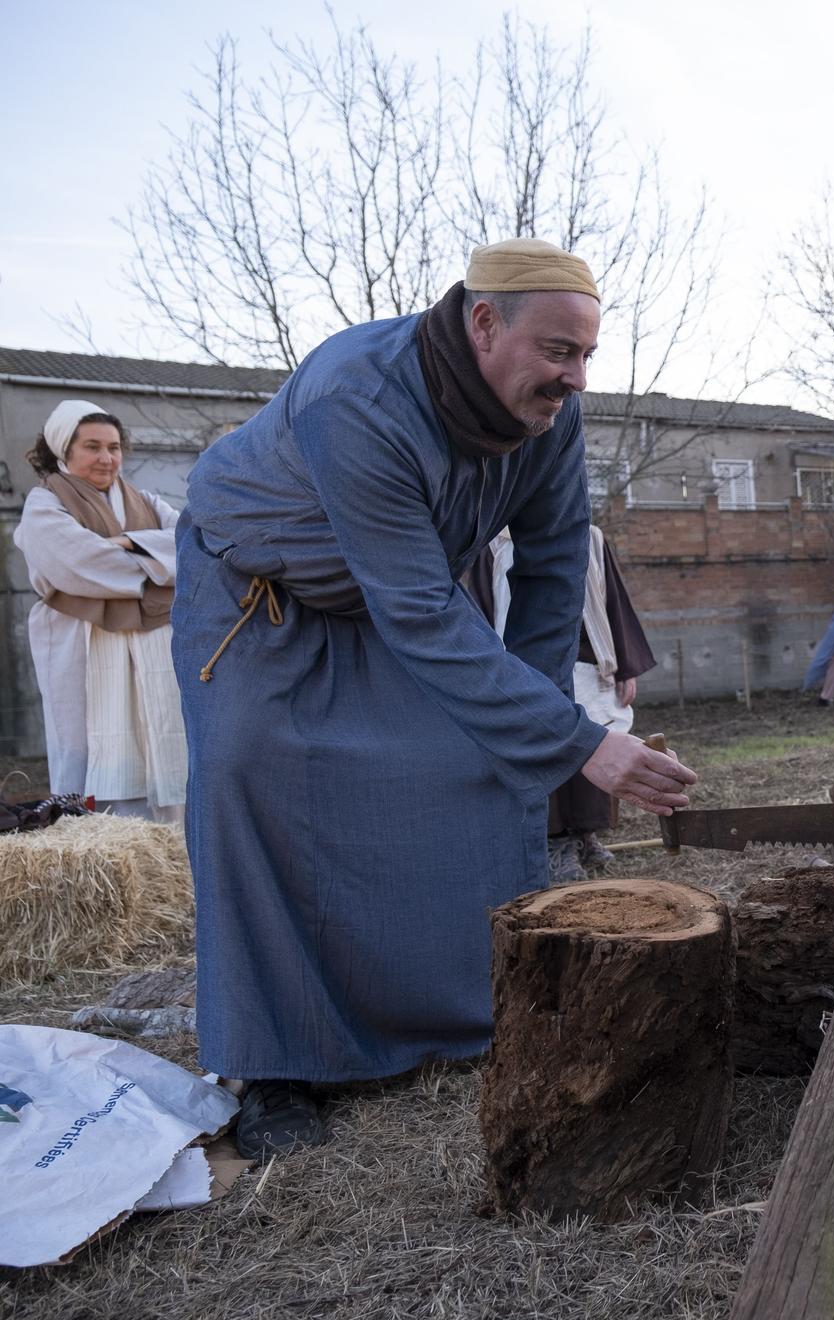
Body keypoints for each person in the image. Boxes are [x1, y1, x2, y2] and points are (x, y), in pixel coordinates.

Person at [173, 239, 697, 1160]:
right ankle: (278, 1061)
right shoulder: (356, 398)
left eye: (586, 355)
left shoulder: (553, 414)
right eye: (557, 351)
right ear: (483, 323)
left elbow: (551, 566)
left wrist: (537, 727)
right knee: (248, 773)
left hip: (400, 595)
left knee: (473, 761)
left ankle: (473, 1008)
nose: (575, 377)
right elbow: (417, 609)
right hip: (267, 598)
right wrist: (582, 744)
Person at [14, 401, 187, 821]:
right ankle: (93, 831)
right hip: (80, 638)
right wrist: (158, 566)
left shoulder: (144, 501)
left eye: (114, 447)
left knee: (158, 734)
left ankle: (166, 835)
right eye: (92, 447)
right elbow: (80, 564)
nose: (107, 458)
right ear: (64, 450)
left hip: (153, 639)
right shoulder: (44, 505)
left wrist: (129, 542)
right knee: (85, 743)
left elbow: (190, 542)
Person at [470, 524, 659, 877]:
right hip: (524, 665)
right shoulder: (493, 545)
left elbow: (612, 600)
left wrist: (625, 667)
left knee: (596, 744)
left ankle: (586, 835)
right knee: (548, 749)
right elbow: (481, 609)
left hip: (587, 662)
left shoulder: (590, 537)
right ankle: (556, 843)